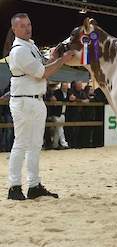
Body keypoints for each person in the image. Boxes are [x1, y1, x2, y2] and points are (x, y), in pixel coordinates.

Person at [7, 12, 74, 200]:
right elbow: (43, 72)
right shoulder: (19, 50)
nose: (28, 28)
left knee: (36, 144)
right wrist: (62, 60)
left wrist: (53, 55)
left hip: (36, 99)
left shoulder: (31, 45)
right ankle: (14, 186)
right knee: (21, 143)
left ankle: (34, 185)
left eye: (28, 24)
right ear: (14, 29)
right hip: (24, 100)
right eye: (23, 26)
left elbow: (43, 63)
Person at [52, 82, 70, 149]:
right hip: (57, 113)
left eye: (66, 86)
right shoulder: (56, 92)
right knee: (60, 128)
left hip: (64, 113)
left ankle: (55, 145)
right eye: (64, 86)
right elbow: (57, 99)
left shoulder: (68, 93)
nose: (65, 88)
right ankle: (64, 143)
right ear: (61, 87)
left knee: (58, 130)